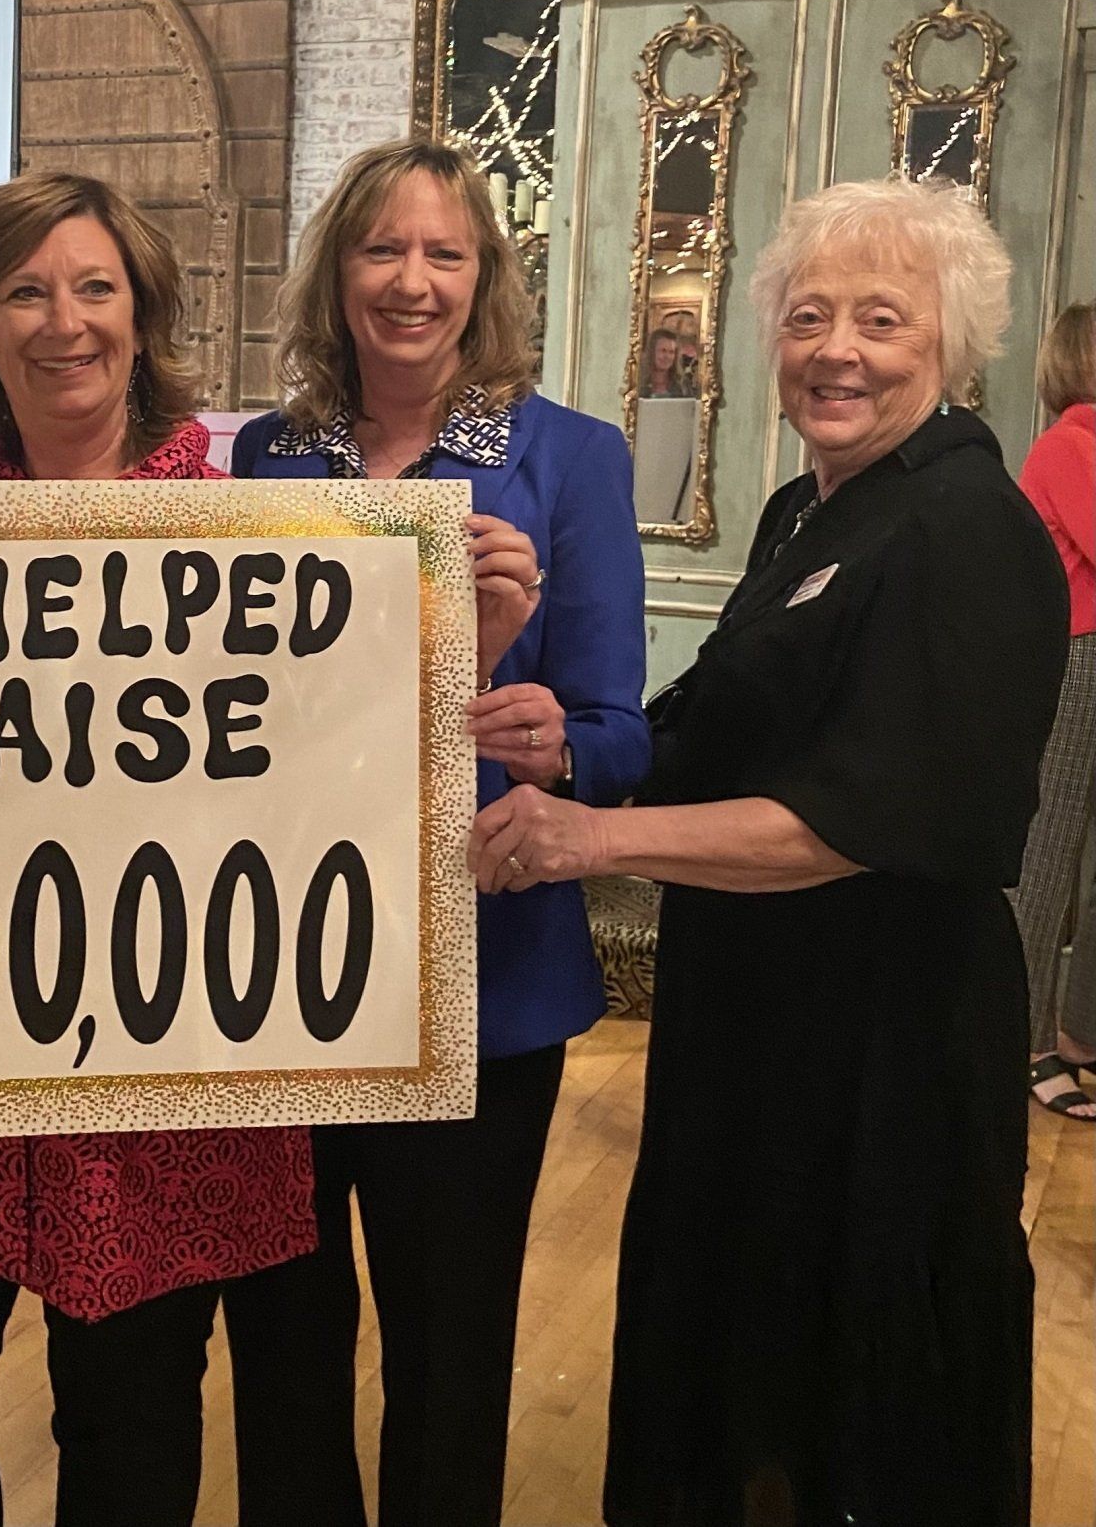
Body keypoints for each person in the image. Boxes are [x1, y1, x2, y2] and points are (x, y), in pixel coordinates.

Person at [0, 169, 547, 1527]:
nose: (63, 322)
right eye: (24, 290)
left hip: (161, 1072)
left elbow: (340, 781)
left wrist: (468, 659)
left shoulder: (252, 531)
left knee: (133, 1432)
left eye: (96, 289)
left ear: (143, 319)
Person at [470, 177, 1066, 1526]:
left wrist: (589, 833)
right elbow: (715, 729)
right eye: (809, 317)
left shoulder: (969, 529)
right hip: (759, 1016)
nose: (837, 349)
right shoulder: (813, 512)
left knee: (855, 1359)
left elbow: (863, 818)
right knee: (744, 1334)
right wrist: (560, 737)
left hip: (883, 1038)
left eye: (881, 320)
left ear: (951, 344)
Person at [220, 137, 649, 1527]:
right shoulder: (264, 462)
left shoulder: (569, 458)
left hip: (486, 974)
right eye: (381, 249)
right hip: (283, 966)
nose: (410, 282)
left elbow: (618, 730)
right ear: (337, 271)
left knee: (451, 1344)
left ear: (485, 278)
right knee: (281, 1337)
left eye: (442, 253)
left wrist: (553, 740)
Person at [1013, 301, 1096, 1118]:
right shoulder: (1067, 443)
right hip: (1077, 657)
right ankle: (1024, 1040)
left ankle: (1081, 1032)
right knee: (1048, 853)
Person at [643, 326, 693, 397]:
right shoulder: (640, 383)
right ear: (652, 352)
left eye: (671, 352)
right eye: (663, 351)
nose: (667, 356)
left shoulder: (683, 386)